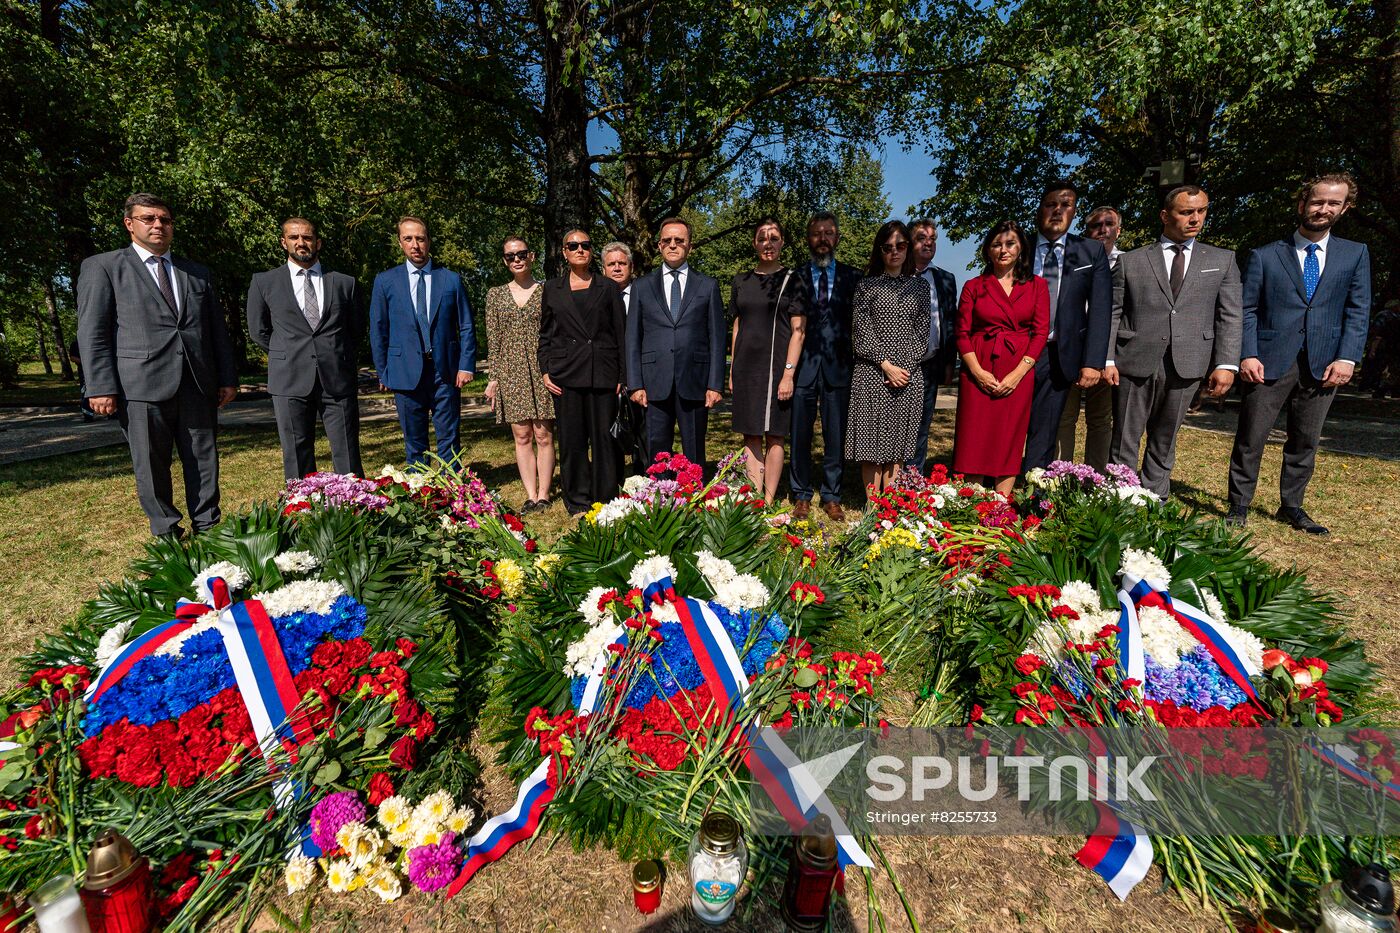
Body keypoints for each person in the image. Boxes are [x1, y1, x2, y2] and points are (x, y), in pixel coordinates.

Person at [76, 193, 237, 539]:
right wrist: (101, 386)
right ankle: (166, 534)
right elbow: (93, 332)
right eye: (148, 219)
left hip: (196, 382)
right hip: (140, 386)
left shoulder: (196, 273)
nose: (158, 225)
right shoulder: (103, 267)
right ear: (129, 224)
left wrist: (226, 377)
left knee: (204, 460)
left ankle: (209, 528)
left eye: (164, 219)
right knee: (151, 465)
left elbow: (215, 332)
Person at [1226, 173, 1371, 534]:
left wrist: (1348, 357)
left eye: (1333, 203)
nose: (1324, 209)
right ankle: (1238, 504)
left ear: (1344, 208)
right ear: (1302, 203)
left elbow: (1358, 309)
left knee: (1305, 438)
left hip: (1324, 362)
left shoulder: (1355, 254)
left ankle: (1291, 505)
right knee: (1251, 436)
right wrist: (1248, 353)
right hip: (1268, 360)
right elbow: (1247, 309)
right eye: (1318, 201)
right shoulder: (1265, 255)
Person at [1107, 185, 1242, 498]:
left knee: (1165, 437)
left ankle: (1154, 499)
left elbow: (1230, 315)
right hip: (1134, 360)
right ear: (1165, 216)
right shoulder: (1132, 261)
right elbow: (1113, 313)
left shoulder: (1222, 260)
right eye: (1186, 212)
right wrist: (1108, 359)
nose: (1195, 218)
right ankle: (1119, 499)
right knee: (1125, 436)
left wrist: (1225, 364)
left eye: (1201, 211)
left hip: (1189, 361)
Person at [246, 217, 364, 480]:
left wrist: (333, 352)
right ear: (283, 242)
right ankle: (301, 511)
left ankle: (355, 509)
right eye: (294, 237)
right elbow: (259, 331)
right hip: (288, 379)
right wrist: (288, 353)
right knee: (297, 453)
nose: (301, 242)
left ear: (318, 242)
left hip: (337, 379)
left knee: (347, 451)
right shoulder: (264, 282)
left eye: (307, 237)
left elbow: (355, 330)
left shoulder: (344, 283)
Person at [369, 217, 476, 468]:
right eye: (408, 239)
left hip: (445, 372)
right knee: (414, 442)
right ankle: (421, 494)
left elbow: (467, 325)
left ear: (428, 241)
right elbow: (378, 329)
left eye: (420, 238)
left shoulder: (450, 279)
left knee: (449, 439)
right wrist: (384, 372)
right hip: (404, 371)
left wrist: (466, 365)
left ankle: (454, 492)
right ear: (400, 243)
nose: (415, 244)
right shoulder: (385, 281)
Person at [1021, 181, 1112, 472]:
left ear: (1074, 212)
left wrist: (1093, 361)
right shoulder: (1018, 245)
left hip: (1059, 353)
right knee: (1007, 423)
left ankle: (1032, 491)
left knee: (1046, 427)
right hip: (1015, 349)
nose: (1058, 211)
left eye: (1066, 205)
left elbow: (1100, 310)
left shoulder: (1089, 252)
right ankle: (994, 487)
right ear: (1040, 209)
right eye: (1051, 205)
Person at [952, 221, 1049, 494]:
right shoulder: (974, 286)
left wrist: (1017, 375)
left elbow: (1040, 333)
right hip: (978, 367)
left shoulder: (1037, 286)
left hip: (1017, 369)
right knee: (975, 435)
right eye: (996, 244)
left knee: (1009, 436)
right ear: (987, 250)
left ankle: (1000, 505)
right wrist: (977, 372)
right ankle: (971, 502)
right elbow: (961, 333)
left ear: (1021, 248)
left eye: (1010, 244)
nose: (1003, 250)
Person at [539, 230, 626, 515]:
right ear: (564, 252)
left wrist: (622, 376)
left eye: (585, 245)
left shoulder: (608, 288)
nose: (580, 250)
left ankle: (605, 496)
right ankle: (577, 499)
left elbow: (620, 334)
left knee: (604, 439)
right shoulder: (552, 288)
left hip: (603, 373)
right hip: (566, 375)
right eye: (573, 246)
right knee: (573, 440)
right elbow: (546, 334)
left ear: (591, 252)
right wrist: (545, 371)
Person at [625, 217, 725, 467]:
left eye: (679, 240)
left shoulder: (708, 286)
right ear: (659, 246)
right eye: (667, 240)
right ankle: (661, 499)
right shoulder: (642, 286)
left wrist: (715, 384)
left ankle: (694, 498)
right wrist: (635, 383)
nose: (672, 245)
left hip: (695, 380)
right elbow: (633, 338)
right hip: (654, 381)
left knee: (694, 449)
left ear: (690, 246)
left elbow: (717, 338)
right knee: (657, 451)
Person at [845, 221, 931, 501]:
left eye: (901, 245)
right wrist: (886, 364)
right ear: (879, 250)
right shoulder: (866, 286)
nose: (895, 251)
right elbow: (860, 332)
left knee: (896, 446)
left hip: (907, 375)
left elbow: (922, 333)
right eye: (888, 247)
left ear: (908, 248)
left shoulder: (920, 287)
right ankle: (873, 506)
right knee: (871, 445)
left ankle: (889, 506)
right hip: (872, 373)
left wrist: (903, 368)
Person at [727, 217, 808, 501]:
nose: (768, 243)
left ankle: (769, 499)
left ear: (782, 242)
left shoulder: (793, 280)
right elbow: (737, 326)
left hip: (776, 368)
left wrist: (788, 374)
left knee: (775, 435)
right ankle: (753, 498)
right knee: (750, 433)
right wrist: (732, 369)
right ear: (754, 243)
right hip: (746, 368)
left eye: (774, 238)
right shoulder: (741, 281)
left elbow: (798, 331)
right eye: (762, 238)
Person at [790, 211, 861, 521]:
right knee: (799, 434)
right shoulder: (797, 276)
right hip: (804, 367)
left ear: (837, 238)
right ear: (809, 239)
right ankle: (801, 493)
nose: (822, 239)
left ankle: (831, 494)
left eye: (828, 233)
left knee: (835, 436)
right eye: (816, 234)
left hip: (839, 369)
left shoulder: (854, 277)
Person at [484, 237, 555, 512]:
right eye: (510, 256)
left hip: (541, 369)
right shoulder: (495, 294)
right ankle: (530, 494)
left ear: (532, 256)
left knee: (543, 434)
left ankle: (545, 494)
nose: (516, 259)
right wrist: (494, 377)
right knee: (522, 435)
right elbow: (494, 338)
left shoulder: (548, 290)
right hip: (510, 370)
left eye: (521, 254)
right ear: (505, 261)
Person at [1056, 205, 1122, 468]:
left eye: (1108, 224)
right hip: (1068, 351)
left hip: (1107, 358)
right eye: (1096, 225)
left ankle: (1094, 476)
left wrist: (1106, 358)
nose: (1102, 230)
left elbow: (1121, 315)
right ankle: (1059, 474)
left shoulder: (1127, 263)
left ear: (1118, 230)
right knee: (1064, 417)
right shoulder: (1071, 257)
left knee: (1100, 419)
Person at [908, 218, 959, 473]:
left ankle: (914, 478)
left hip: (930, 362)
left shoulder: (945, 280)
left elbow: (950, 323)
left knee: (922, 424)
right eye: (921, 238)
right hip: (899, 366)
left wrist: (949, 363)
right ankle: (891, 479)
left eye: (932, 239)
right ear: (909, 242)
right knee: (897, 424)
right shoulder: (895, 275)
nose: (928, 243)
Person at [602, 240, 649, 473]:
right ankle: (615, 479)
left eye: (622, 263)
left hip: (642, 373)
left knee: (644, 430)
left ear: (631, 266)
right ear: (603, 269)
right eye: (611, 264)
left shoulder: (646, 293)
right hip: (609, 375)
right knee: (612, 430)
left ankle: (644, 477)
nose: (617, 268)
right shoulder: (597, 297)